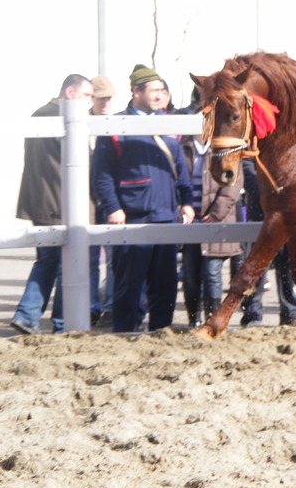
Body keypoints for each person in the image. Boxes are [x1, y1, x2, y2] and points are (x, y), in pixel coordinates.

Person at [91, 64, 194, 332]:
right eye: (154, 90)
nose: (161, 96)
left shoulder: (171, 125)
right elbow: (101, 173)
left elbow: (180, 168)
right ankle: (125, 332)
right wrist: (112, 207)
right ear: (136, 92)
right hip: (132, 216)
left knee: (166, 283)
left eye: (162, 90)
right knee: (128, 284)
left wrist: (186, 201)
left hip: (167, 216)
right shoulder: (115, 125)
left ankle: (162, 331)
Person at [11, 74, 94, 335]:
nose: (90, 103)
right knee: (64, 265)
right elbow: (82, 159)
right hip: (61, 202)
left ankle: (27, 314)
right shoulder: (64, 117)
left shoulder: (39, 113)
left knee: (46, 261)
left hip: (41, 201)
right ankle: (61, 323)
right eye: (87, 95)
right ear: (70, 92)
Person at [181, 113, 243, 327]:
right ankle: (192, 319)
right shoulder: (183, 147)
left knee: (212, 272)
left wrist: (218, 211)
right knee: (190, 275)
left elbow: (233, 183)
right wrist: (183, 205)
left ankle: (213, 319)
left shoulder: (225, 147)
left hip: (216, 219)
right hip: (190, 220)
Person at [240, 157, 296, 326]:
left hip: (284, 213)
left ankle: (291, 311)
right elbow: (248, 172)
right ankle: (252, 313)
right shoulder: (252, 146)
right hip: (260, 213)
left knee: (287, 264)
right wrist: (270, 194)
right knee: (256, 268)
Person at [89, 75, 117, 327]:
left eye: (109, 97)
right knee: (88, 258)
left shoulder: (118, 124)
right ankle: (91, 306)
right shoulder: (82, 123)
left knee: (112, 257)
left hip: (108, 201)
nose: (106, 102)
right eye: (101, 98)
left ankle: (109, 306)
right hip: (87, 203)